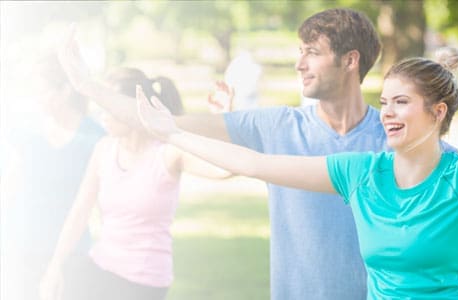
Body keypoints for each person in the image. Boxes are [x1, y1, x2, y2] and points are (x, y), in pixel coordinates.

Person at [57, 9, 382, 298]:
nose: (299, 64)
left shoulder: (393, 138)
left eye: (312, 53)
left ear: (350, 60)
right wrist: (86, 85)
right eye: (300, 52)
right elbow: (161, 122)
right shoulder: (277, 127)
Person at [136, 47, 458, 299]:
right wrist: (174, 133)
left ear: (437, 113)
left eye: (401, 103)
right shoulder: (361, 172)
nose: (386, 113)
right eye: (384, 102)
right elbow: (255, 163)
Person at [39, 67, 230, 300]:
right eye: (102, 106)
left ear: (133, 108)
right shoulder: (104, 149)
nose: (103, 114)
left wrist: (224, 125)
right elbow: (79, 212)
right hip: (101, 266)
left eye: (111, 107)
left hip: (144, 280)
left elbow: (225, 169)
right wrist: (55, 265)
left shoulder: (168, 153)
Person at [0, 52, 105, 300]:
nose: (36, 99)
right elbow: (7, 189)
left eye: (41, 90)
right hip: (19, 248)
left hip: (71, 254)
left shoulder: (96, 138)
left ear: (66, 90)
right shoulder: (25, 131)